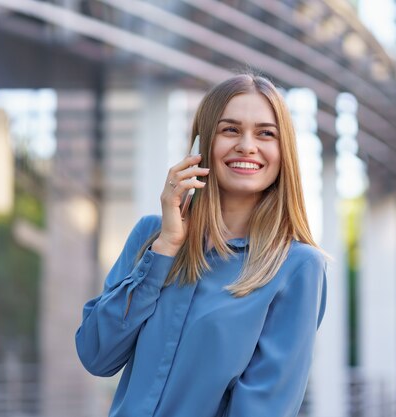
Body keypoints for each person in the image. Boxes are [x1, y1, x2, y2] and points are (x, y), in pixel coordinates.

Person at [75, 73, 327, 417]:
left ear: (284, 153)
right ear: (201, 145)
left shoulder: (298, 267)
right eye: (230, 130)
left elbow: (263, 408)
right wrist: (164, 249)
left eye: (266, 133)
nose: (247, 145)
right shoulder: (151, 236)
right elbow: (96, 354)